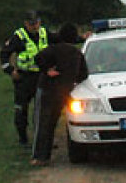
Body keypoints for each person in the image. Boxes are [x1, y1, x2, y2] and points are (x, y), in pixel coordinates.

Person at [30, 22, 89, 166]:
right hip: (65, 92)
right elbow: (84, 74)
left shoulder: (53, 49)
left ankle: (41, 157)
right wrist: (73, 81)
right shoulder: (77, 54)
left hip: (48, 90)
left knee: (44, 124)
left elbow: (37, 58)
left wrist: (47, 71)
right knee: (54, 121)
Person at [0, 11, 57, 146]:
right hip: (24, 78)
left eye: (36, 23)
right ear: (25, 23)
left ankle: (43, 139)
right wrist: (10, 70)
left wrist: (80, 37)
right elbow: (4, 54)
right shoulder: (19, 36)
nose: (35, 26)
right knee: (21, 110)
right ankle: (23, 139)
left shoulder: (44, 33)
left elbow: (61, 38)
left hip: (42, 77)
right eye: (31, 24)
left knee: (44, 109)